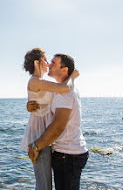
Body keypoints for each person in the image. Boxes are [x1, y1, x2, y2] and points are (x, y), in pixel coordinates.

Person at [27, 53, 88, 190]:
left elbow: (58, 126)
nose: (49, 64)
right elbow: (42, 102)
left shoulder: (64, 93)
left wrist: (36, 146)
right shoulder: (59, 90)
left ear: (64, 70)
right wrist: (30, 105)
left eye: (53, 63)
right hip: (67, 153)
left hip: (68, 155)